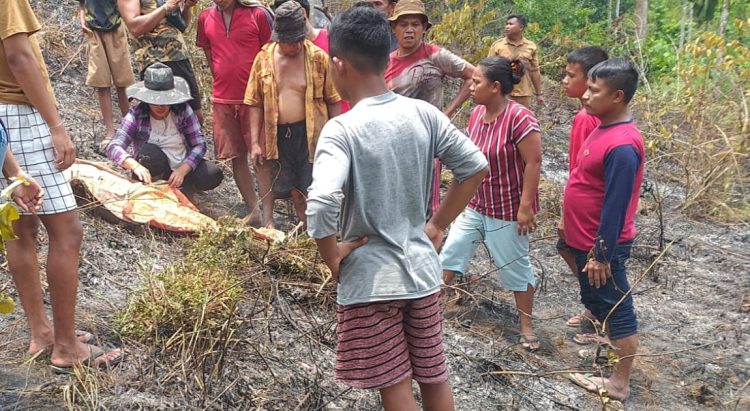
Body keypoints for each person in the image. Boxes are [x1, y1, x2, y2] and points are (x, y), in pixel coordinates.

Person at [306, 6, 488, 410]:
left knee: (395, 382)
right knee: (433, 372)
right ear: (385, 56)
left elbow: (321, 202)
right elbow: (475, 167)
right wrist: (438, 224)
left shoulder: (342, 129)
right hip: (422, 273)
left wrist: (332, 258)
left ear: (338, 64)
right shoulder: (423, 114)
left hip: (372, 283)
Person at [0, 0, 123, 371]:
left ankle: (43, 334)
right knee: (67, 231)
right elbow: (20, 57)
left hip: (2, 121)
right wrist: (56, 126)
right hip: (20, 115)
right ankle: (67, 348)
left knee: (20, 230)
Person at [440, 57, 543, 351]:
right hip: (476, 203)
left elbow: (533, 162)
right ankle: (432, 308)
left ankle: (526, 324)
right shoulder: (476, 116)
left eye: (477, 82)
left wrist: (526, 207)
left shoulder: (519, 118)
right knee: (452, 251)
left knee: (514, 268)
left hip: (507, 209)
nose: (470, 87)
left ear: (496, 87)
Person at [565, 58, 645, 401]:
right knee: (600, 303)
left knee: (618, 309)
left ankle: (618, 384)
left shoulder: (623, 145)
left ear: (618, 97)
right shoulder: (602, 127)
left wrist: (601, 255)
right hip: (582, 238)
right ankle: (607, 355)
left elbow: (615, 205)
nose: (585, 95)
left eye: (594, 90)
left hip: (601, 247)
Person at [244, 1, 341, 228]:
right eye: (291, 41)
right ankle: (268, 222)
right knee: (271, 176)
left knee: (309, 185)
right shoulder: (264, 59)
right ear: (279, 38)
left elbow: (333, 99)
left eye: (300, 39)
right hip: (276, 130)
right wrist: (255, 143)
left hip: (310, 133)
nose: (296, 45)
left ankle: (311, 228)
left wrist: (336, 136)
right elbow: (254, 102)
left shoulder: (318, 57)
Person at [385, 0, 475, 217]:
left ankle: (430, 244)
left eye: (415, 24)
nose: (409, 30)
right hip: (394, 142)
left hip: (428, 142)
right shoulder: (385, 62)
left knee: (427, 206)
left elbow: (474, 75)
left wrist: (448, 113)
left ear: (424, 28)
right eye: (403, 24)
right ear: (393, 28)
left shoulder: (435, 55)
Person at [197, 0, 272, 222]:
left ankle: (269, 218)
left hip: (254, 100)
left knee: (261, 158)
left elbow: (269, 54)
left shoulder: (257, 14)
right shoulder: (205, 18)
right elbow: (210, 55)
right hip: (223, 99)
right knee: (236, 156)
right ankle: (254, 211)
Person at [107, 63, 223, 195]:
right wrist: (135, 165)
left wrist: (183, 170)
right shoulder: (137, 114)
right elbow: (114, 146)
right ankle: (152, 190)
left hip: (181, 168)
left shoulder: (183, 110)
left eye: (165, 100)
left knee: (212, 174)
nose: (160, 106)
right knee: (149, 154)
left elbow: (199, 145)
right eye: (155, 100)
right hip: (153, 170)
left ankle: (188, 191)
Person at [558, 46, 609, 343]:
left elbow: (581, 169)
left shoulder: (586, 118)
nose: (564, 80)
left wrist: (569, 214)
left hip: (586, 207)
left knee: (584, 255)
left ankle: (600, 312)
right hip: (585, 203)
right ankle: (593, 307)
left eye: (570, 75)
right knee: (567, 249)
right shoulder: (588, 115)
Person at [118, 0, 204, 124]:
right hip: (154, 62)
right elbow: (135, 27)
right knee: (159, 118)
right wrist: (165, 8)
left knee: (195, 116)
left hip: (179, 57)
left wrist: (187, 7)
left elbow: (181, 25)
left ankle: (192, 143)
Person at [77, 0, 135, 151]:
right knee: (101, 82)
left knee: (122, 82)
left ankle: (130, 126)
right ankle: (110, 131)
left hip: (115, 26)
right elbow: (81, 3)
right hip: (93, 29)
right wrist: (82, 17)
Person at [487, 14, 544, 109]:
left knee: (521, 121)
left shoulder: (531, 46)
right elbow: (488, 69)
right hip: (502, 92)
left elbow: (535, 71)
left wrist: (539, 94)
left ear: (521, 27)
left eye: (511, 24)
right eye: (506, 24)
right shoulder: (498, 45)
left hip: (523, 94)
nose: (507, 27)